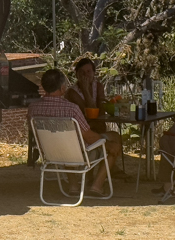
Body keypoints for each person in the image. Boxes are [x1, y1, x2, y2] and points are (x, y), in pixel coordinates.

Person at [28, 68, 120, 197]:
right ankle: (97, 186)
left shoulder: (33, 108)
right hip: (78, 155)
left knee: (65, 142)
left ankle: (73, 186)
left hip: (50, 153)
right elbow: (89, 136)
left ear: (43, 86)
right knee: (113, 143)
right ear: (62, 88)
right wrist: (108, 145)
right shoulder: (71, 109)